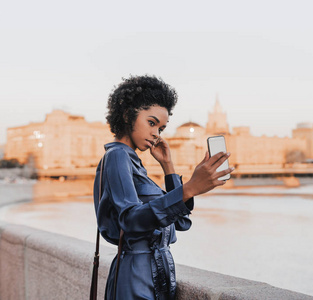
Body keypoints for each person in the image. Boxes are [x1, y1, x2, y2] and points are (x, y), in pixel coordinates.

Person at [93, 75, 233, 300]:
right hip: (135, 276)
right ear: (128, 115)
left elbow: (181, 223)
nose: (156, 133)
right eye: (151, 123)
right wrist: (190, 188)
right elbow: (129, 219)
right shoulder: (117, 156)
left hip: (158, 273)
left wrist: (169, 167)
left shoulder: (133, 163)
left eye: (161, 128)